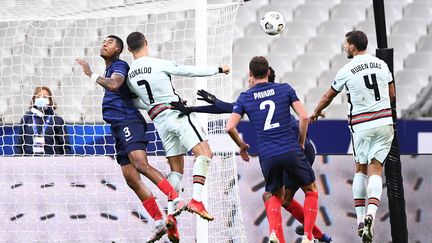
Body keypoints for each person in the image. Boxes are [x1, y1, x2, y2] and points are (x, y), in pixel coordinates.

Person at [171, 67, 332, 242]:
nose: (248, 80)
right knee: (278, 198)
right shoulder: (276, 94)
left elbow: (230, 111)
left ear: (257, 76)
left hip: (297, 149)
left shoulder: (263, 96)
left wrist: (196, 108)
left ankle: (312, 235)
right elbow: (230, 108)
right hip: (293, 148)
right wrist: (197, 107)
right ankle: (316, 235)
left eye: (250, 76)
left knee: (278, 197)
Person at [76, 35, 183, 243]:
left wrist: (90, 74)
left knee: (141, 165)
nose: (104, 43)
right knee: (131, 178)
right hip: (117, 126)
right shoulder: (109, 68)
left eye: (110, 42)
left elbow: (115, 85)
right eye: (104, 41)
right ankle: (161, 221)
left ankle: (176, 199)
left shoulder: (120, 65)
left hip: (128, 121)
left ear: (118, 50)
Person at [125, 31, 230, 224]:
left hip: (159, 121)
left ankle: (171, 215)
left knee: (176, 170)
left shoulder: (130, 75)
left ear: (130, 49)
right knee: (204, 153)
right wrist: (218, 69)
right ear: (146, 42)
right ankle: (197, 201)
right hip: (176, 113)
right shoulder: (158, 63)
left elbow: (134, 102)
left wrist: (151, 105)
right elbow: (188, 71)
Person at [309, 30, 396, 243]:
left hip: (362, 125)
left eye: (345, 44)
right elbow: (392, 93)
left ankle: (359, 219)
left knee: (360, 168)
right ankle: (371, 216)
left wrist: (316, 111)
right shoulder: (382, 65)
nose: (344, 47)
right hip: (384, 122)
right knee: (377, 168)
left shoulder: (347, 69)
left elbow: (328, 95)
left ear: (352, 47)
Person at [225, 56, 319, 243]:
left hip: (267, 155)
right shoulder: (285, 89)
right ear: (268, 72)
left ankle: (275, 233)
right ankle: (308, 236)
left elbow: (229, 127)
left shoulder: (245, 97)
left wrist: (242, 146)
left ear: (250, 74)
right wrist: (300, 142)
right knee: (311, 190)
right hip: (290, 149)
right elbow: (304, 117)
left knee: (275, 194)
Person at [14, 86, 71, 155]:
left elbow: (65, 145)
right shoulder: (27, 118)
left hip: (52, 160)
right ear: (34, 99)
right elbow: (19, 143)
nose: (41, 99)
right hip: (29, 160)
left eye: (44, 97)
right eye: (38, 97)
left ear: (50, 100)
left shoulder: (57, 119)